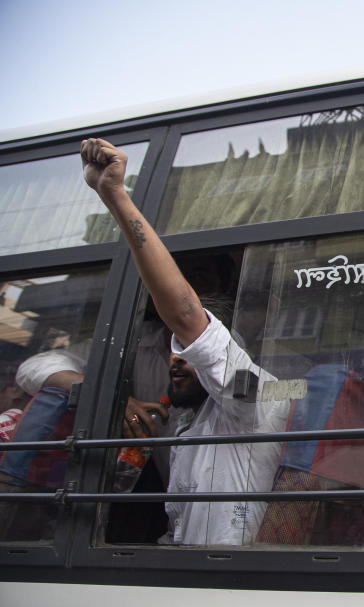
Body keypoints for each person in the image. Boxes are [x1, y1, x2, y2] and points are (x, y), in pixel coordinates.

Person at [80, 138, 290, 545]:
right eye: (174, 351)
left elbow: (185, 314)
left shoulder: (253, 396)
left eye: (187, 349)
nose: (175, 360)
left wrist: (115, 195)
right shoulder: (190, 429)